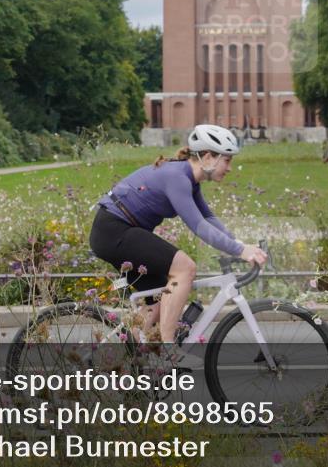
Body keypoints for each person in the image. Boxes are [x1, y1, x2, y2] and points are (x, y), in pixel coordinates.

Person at [89, 124, 268, 345]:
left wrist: (238, 243)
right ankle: (168, 350)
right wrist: (240, 251)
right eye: (227, 160)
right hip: (113, 231)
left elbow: (209, 218)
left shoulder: (189, 180)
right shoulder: (177, 177)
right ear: (208, 157)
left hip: (119, 231)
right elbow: (199, 227)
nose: (230, 168)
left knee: (157, 299)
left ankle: (133, 355)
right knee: (185, 268)